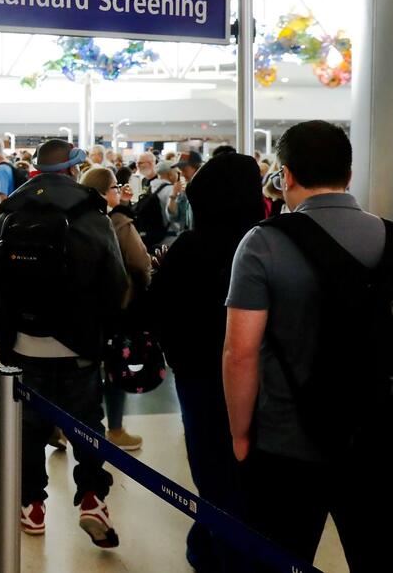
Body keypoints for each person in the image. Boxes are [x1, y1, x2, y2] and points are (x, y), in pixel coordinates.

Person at [223, 120, 393, 573]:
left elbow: (240, 352)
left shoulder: (263, 243)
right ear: (349, 175)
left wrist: (239, 434)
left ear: (286, 176)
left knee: (278, 560)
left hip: (287, 442)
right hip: (379, 440)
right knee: (381, 564)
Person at [0, 139, 128, 548]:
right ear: (74, 170)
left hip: (24, 345)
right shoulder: (90, 213)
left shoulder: (9, 211)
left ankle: (32, 505)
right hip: (78, 344)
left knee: (28, 430)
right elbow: (115, 280)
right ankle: (92, 498)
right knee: (87, 424)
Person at [149, 153, 265, 573]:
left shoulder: (189, 248)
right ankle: (214, 545)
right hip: (263, 380)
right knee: (250, 473)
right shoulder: (268, 244)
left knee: (211, 466)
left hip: (199, 377)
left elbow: (158, 313)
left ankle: (211, 547)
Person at [80, 166, 149, 450]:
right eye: (115, 188)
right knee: (115, 369)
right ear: (104, 192)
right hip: (117, 306)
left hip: (84, 306)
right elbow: (140, 261)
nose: (118, 193)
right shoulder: (120, 222)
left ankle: (65, 426)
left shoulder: (75, 218)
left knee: (82, 371)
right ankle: (116, 429)